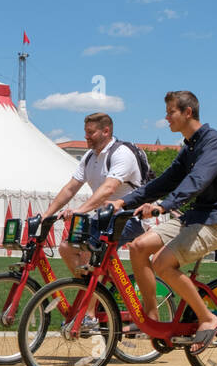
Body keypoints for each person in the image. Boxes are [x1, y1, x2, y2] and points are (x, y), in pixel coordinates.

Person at [111, 91, 217, 353]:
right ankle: (149, 319)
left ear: (187, 113)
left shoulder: (213, 142)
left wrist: (164, 205)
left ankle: (208, 318)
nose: (166, 117)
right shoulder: (190, 148)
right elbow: (163, 182)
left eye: (170, 111)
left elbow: (198, 180)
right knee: (139, 247)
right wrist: (124, 202)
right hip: (197, 216)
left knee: (163, 263)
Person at [41, 111, 146, 276]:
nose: (86, 136)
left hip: (128, 218)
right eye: (86, 132)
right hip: (102, 218)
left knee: (90, 255)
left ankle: (93, 295)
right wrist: (46, 215)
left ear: (106, 131)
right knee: (67, 248)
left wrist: (80, 210)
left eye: (91, 132)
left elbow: (108, 189)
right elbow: (70, 188)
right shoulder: (89, 157)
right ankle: (96, 292)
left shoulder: (121, 153)